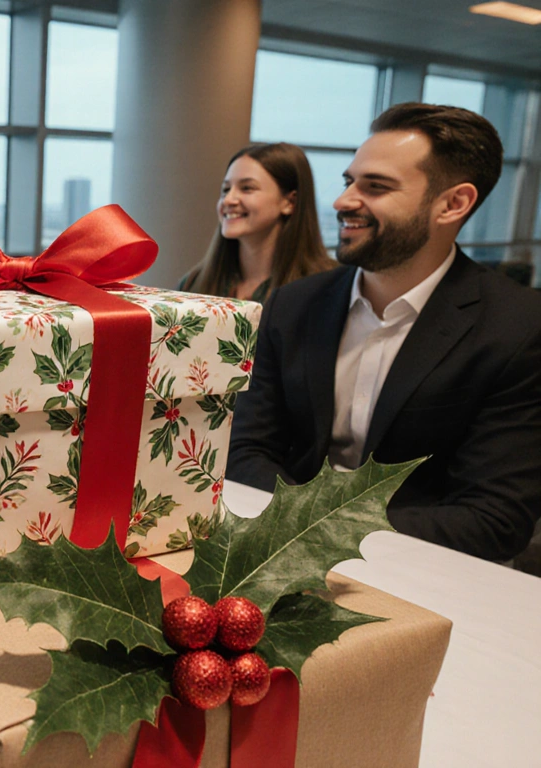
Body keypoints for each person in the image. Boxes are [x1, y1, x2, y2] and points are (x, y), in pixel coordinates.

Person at [229, 102, 541, 562]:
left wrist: (324, 529)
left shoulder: (517, 327)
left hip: (424, 572)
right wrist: (297, 533)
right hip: (277, 551)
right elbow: (246, 448)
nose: (342, 201)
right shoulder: (293, 304)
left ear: (453, 204)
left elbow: (494, 519)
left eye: (375, 187)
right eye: (349, 182)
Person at [179, 142, 333, 302]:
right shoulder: (193, 284)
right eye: (226, 189)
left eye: (247, 188)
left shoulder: (327, 288)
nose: (229, 200)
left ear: (289, 202)